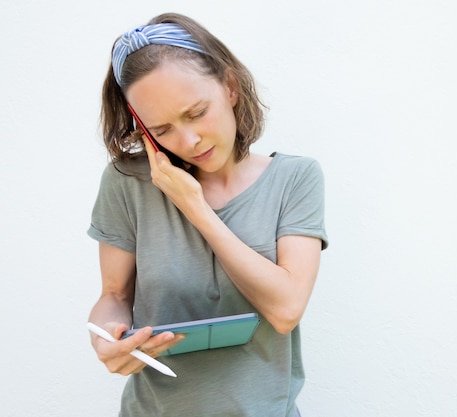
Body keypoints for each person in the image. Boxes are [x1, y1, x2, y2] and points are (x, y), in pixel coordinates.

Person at [86, 12, 328, 417]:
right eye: (161, 131)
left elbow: (286, 310)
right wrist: (106, 338)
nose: (189, 140)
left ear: (229, 86)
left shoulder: (295, 178)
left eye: (197, 113)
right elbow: (114, 295)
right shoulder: (126, 181)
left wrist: (195, 207)